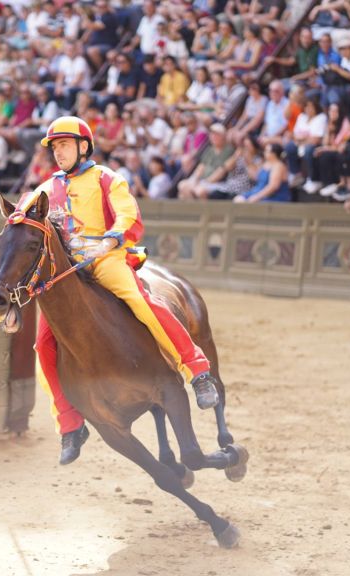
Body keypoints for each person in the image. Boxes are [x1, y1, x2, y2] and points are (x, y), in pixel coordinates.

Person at [30, 116, 221, 465]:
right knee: (42, 343)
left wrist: (112, 237)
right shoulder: (44, 189)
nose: (58, 153)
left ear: (84, 146)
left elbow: (129, 215)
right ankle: (70, 423)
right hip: (67, 274)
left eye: (64, 145)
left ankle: (197, 371)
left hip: (105, 259)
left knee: (141, 299)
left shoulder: (107, 178)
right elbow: (25, 221)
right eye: (54, 147)